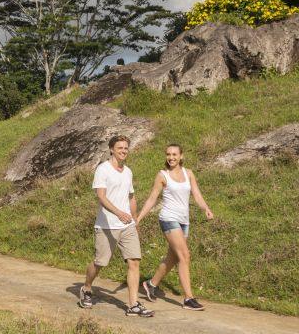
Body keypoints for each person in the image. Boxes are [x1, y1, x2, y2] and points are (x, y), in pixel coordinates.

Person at [78, 135, 154, 317]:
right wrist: (118, 213)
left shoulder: (128, 171)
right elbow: (101, 197)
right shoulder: (103, 170)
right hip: (106, 225)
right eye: (120, 148)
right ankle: (86, 288)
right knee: (100, 262)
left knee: (134, 261)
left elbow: (131, 197)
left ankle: (133, 304)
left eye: (126, 148)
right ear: (111, 149)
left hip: (127, 226)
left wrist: (134, 220)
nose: (124, 151)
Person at [136, 143, 214, 311]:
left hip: (184, 221)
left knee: (173, 258)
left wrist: (205, 208)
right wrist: (139, 218)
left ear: (181, 156)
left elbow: (197, 194)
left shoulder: (189, 173)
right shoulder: (162, 175)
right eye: (168, 154)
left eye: (174, 154)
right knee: (185, 256)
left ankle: (151, 284)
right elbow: (152, 199)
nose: (171, 157)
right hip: (168, 218)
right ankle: (188, 298)